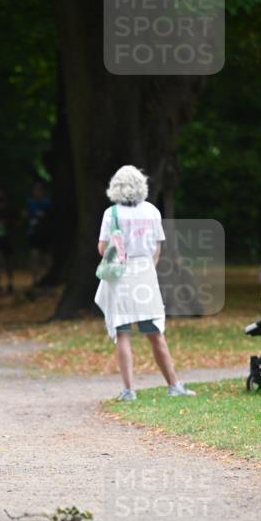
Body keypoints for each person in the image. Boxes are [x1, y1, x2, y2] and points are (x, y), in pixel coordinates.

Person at [94, 165, 195, 401]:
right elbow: (158, 247)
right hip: (145, 274)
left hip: (120, 275)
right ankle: (173, 385)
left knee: (123, 333)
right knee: (154, 333)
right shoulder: (151, 211)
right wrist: (147, 267)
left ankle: (129, 390)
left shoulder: (112, 214)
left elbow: (102, 248)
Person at [26, 178, 53, 293]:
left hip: (46, 234)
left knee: (47, 257)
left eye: (39, 189)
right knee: (34, 255)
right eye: (35, 190)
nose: (37, 192)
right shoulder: (30, 204)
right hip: (34, 234)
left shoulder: (47, 204)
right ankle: (35, 280)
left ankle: (47, 279)